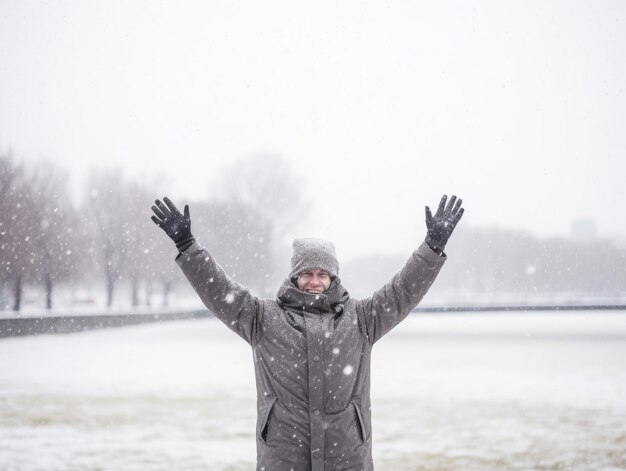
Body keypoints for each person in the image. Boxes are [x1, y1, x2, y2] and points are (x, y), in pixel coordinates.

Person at [151, 194, 464, 471]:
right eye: (307, 274)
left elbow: (402, 291)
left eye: (322, 274)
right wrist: (187, 246)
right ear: (295, 277)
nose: (315, 281)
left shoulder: (362, 319)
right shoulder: (262, 318)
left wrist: (432, 248)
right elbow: (219, 291)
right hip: (284, 458)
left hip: (348, 457)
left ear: (332, 278)